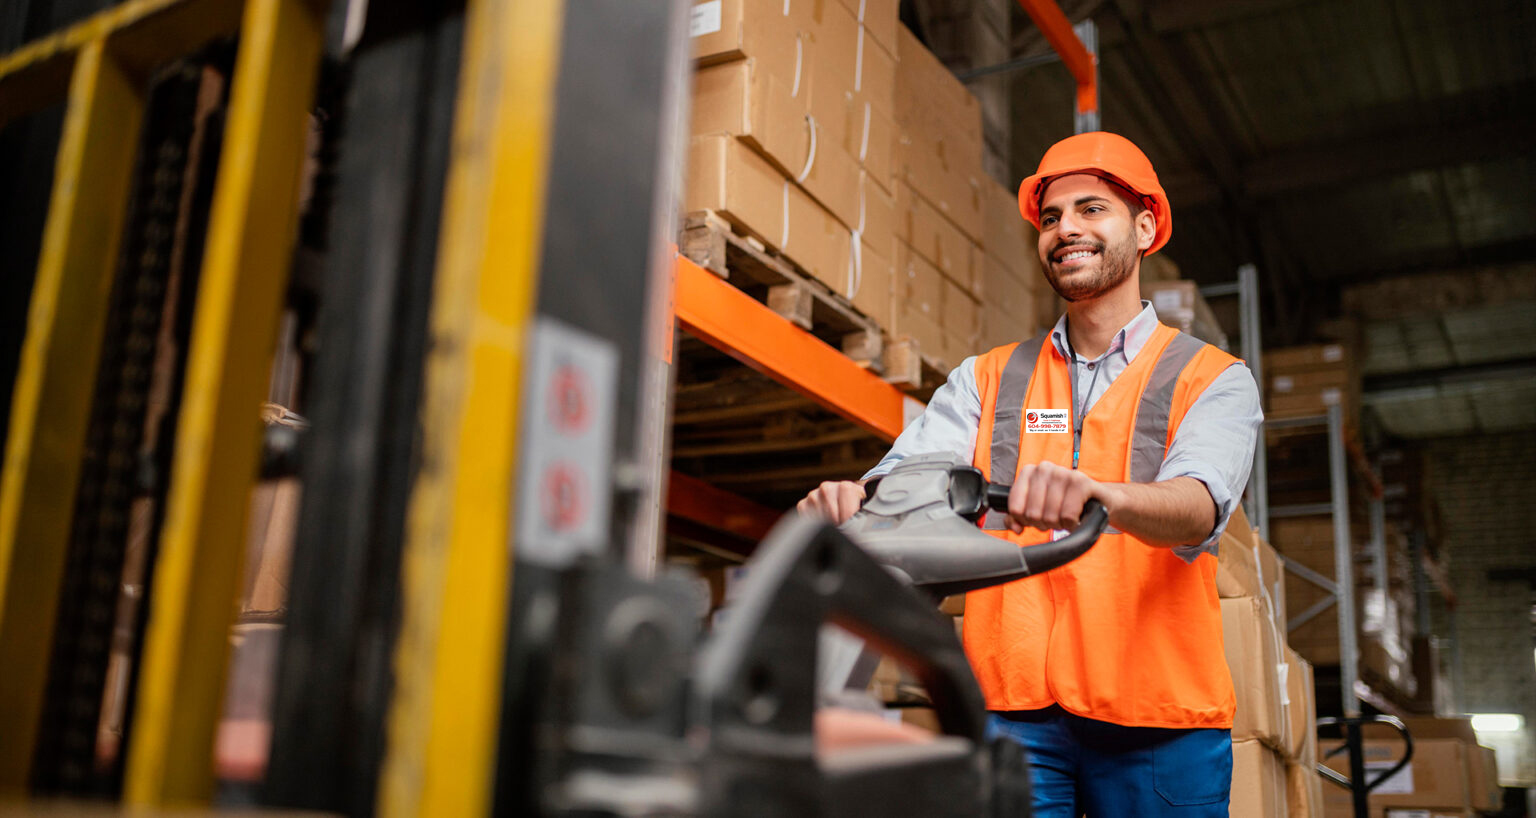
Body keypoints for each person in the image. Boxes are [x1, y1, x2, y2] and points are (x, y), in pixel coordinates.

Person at [797, 131, 1263, 816]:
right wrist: (856, 502)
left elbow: (1199, 506)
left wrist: (1104, 496)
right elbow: (909, 482)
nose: (1065, 228)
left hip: (1156, 719)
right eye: (1051, 217)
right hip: (1013, 713)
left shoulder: (1212, 377)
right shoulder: (985, 378)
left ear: (1144, 228)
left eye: (1091, 209)